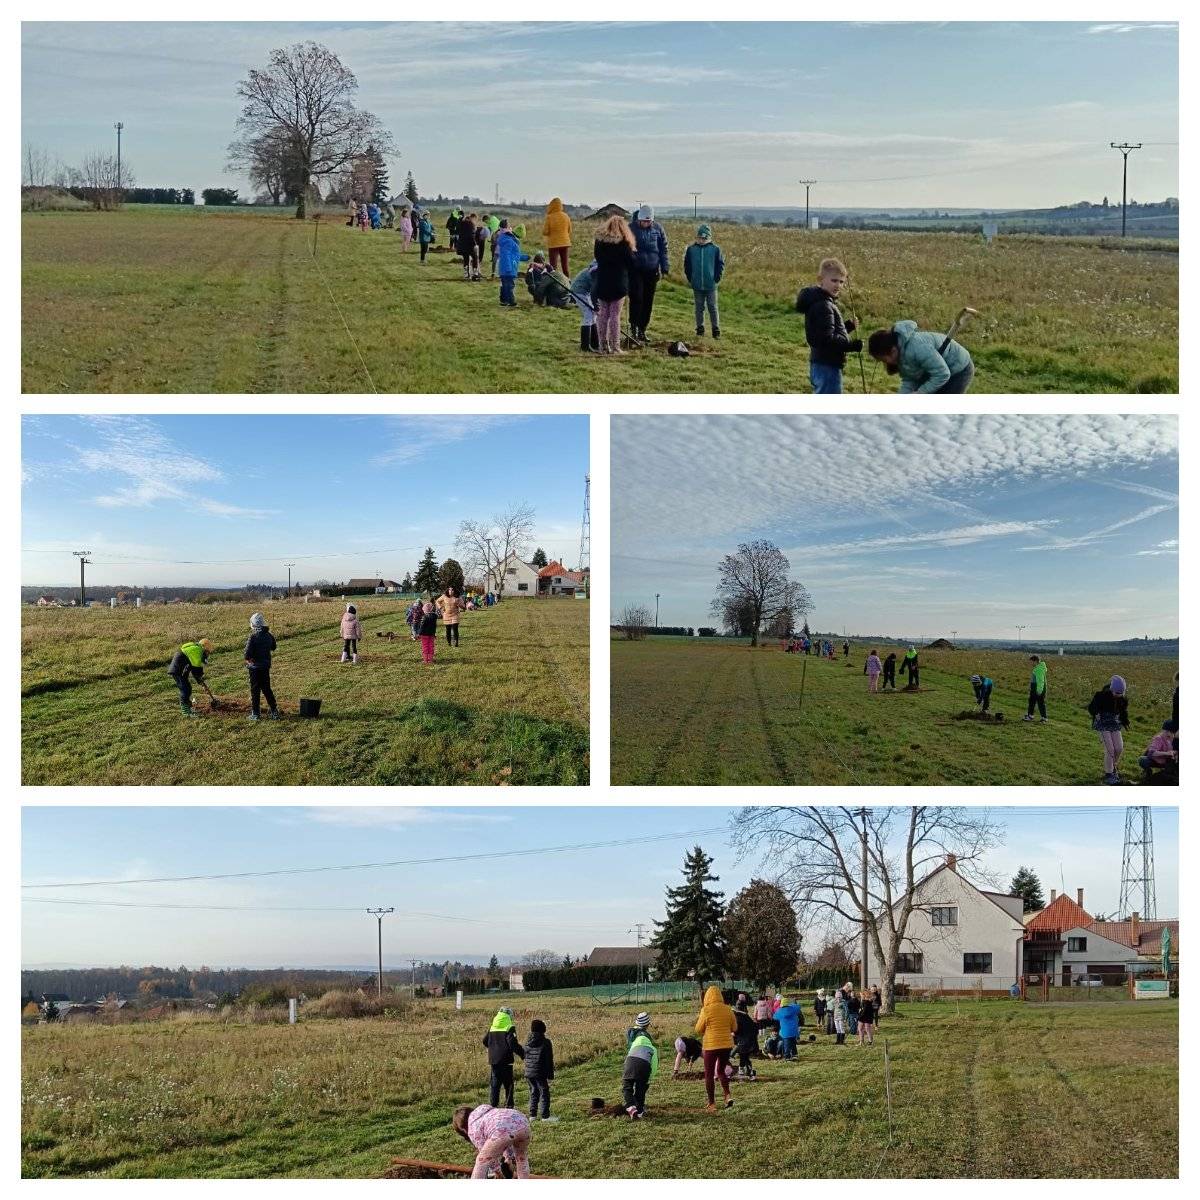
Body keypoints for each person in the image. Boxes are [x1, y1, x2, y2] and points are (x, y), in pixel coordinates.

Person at [796, 258, 863, 394]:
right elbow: (827, 340)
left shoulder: (823, 302)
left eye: (841, 281)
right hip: (827, 365)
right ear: (820, 279)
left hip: (822, 362)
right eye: (834, 280)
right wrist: (851, 346)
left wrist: (848, 327)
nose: (838, 285)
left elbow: (825, 331)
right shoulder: (823, 305)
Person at [867, 320, 974, 393]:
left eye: (883, 359)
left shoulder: (918, 348)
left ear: (893, 351)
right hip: (936, 370)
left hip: (959, 369)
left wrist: (921, 392)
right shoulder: (900, 355)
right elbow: (910, 379)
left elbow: (942, 374)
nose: (886, 363)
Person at [592, 215, 637, 355]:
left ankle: (603, 346)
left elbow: (597, 258)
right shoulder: (624, 245)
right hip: (618, 283)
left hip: (603, 281)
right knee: (615, 316)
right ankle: (615, 346)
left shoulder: (599, 243)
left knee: (603, 315)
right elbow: (632, 264)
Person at [452, 1104, 531, 1180]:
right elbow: (508, 1132)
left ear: (463, 1129)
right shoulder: (488, 1112)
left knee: (481, 1161)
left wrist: (497, 1171)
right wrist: (508, 1157)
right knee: (521, 1157)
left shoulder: (472, 1128)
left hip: (501, 1132)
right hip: (522, 1122)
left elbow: (487, 1155)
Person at [628, 205, 669, 342]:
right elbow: (625, 248)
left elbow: (663, 249)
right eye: (643, 221)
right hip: (636, 270)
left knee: (648, 301)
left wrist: (664, 267)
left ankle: (642, 329)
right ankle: (633, 327)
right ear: (638, 219)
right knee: (637, 298)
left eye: (648, 222)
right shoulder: (630, 229)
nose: (646, 224)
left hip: (652, 271)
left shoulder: (658, 229)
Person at [694, 985, 737, 1113]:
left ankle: (712, 1103)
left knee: (709, 1074)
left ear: (707, 997)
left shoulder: (705, 1010)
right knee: (721, 1071)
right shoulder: (728, 1009)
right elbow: (734, 1028)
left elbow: (698, 1029)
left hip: (711, 1046)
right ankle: (727, 1095)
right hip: (726, 1045)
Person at [1088, 674, 1131, 784]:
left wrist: (1125, 721)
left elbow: (1123, 712)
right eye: (1116, 693)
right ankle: (1109, 774)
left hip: (1114, 724)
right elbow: (1091, 707)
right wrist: (1096, 713)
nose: (1118, 695)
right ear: (1112, 689)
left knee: (1119, 748)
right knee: (1110, 749)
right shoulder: (1101, 696)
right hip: (1102, 723)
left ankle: (1112, 769)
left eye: (1121, 693)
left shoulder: (1122, 699)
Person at [684, 224, 725, 338]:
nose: (701, 240)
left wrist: (717, 278)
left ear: (709, 238)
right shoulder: (691, 249)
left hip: (710, 285)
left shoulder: (715, 249)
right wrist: (690, 278)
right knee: (699, 307)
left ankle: (715, 330)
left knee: (712, 307)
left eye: (704, 238)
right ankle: (700, 329)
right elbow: (687, 265)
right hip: (697, 285)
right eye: (700, 238)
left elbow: (720, 265)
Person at [482, 1006, 524, 1108]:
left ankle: (493, 1106)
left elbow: (484, 1041)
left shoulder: (493, 1027)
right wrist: (523, 1054)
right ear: (509, 1015)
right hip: (506, 1060)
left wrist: (493, 1047)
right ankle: (509, 1106)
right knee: (508, 1085)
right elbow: (513, 1044)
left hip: (494, 1060)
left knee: (495, 1085)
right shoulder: (509, 1027)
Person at [244, 612, 279, 722]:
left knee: (255, 691)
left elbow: (247, 654)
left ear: (253, 624)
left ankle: (256, 714)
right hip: (265, 667)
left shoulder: (253, 637)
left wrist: (250, 660)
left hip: (254, 668)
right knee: (267, 689)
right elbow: (274, 647)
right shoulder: (269, 635)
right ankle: (274, 711)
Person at [167, 637, 214, 716]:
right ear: (205, 648)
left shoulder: (196, 649)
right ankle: (185, 711)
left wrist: (200, 680)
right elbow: (196, 669)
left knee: (187, 687)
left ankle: (187, 706)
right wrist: (200, 681)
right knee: (185, 689)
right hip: (179, 669)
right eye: (207, 652)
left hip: (180, 668)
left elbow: (194, 669)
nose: (207, 654)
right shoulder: (197, 651)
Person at [622, 1019, 658, 1119]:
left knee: (627, 1086)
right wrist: (649, 1078)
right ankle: (640, 1111)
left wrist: (626, 1069)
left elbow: (628, 1057)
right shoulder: (652, 1047)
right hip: (644, 1064)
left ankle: (630, 1106)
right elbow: (654, 1064)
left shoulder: (634, 1043)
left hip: (631, 1061)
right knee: (640, 1089)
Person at [523, 1018, 555, 1122]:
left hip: (529, 1072)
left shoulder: (527, 1042)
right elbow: (549, 1059)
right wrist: (550, 1075)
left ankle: (532, 1115)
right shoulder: (546, 1042)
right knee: (544, 1092)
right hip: (540, 1072)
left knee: (533, 1092)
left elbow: (526, 1057)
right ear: (543, 1029)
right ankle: (545, 1116)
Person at [495, 220, 529, 308]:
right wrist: (508, 268)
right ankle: (511, 301)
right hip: (508, 268)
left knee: (504, 284)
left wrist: (524, 257)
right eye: (509, 225)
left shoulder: (507, 239)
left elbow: (514, 255)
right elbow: (507, 255)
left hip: (505, 267)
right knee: (510, 285)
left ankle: (503, 300)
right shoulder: (509, 241)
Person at [570, 260, 600, 352]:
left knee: (593, 315)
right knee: (588, 315)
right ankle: (585, 346)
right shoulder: (594, 273)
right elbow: (594, 292)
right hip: (579, 291)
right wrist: (596, 306)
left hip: (584, 292)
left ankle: (595, 343)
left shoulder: (595, 269)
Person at [542, 197, 573, 276]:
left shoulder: (549, 217)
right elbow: (569, 230)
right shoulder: (566, 216)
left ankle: (553, 283)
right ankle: (568, 283)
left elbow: (545, 232)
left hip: (554, 244)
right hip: (565, 243)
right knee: (565, 266)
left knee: (553, 267)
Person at [733, 997, 758, 1079]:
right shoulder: (747, 1017)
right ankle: (749, 1072)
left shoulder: (738, 1018)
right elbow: (755, 1028)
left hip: (744, 1042)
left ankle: (746, 1073)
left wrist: (733, 1034)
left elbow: (737, 1031)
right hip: (751, 1041)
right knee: (745, 1057)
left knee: (743, 1057)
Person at [774, 995, 801, 1060]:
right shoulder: (793, 1009)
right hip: (794, 1030)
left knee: (786, 1045)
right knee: (793, 1043)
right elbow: (798, 1006)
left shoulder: (780, 1011)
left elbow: (774, 1017)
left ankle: (787, 1056)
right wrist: (791, 1004)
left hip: (785, 1031)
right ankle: (795, 1055)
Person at [1024, 655, 1048, 723]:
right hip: (1034, 688)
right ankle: (1030, 715)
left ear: (1035, 661)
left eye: (1031, 662)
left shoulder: (1039, 669)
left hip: (1038, 688)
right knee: (1031, 702)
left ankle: (1044, 718)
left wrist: (1039, 690)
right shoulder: (1037, 668)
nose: (1031, 664)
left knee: (1041, 703)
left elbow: (1040, 681)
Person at [457, 212, 480, 280]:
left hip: (462, 244)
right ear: (473, 218)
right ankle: (475, 274)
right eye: (475, 219)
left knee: (466, 259)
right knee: (475, 258)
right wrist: (475, 244)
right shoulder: (471, 224)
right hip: (469, 245)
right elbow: (471, 236)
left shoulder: (462, 223)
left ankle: (466, 274)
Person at [417, 600, 438, 665]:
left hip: (424, 635)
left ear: (425, 610)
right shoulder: (434, 617)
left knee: (425, 646)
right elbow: (434, 627)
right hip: (431, 634)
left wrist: (419, 634)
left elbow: (422, 627)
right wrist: (434, 634)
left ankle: (426, 660)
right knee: (431, 646)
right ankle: (430, 660)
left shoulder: (424, 617)